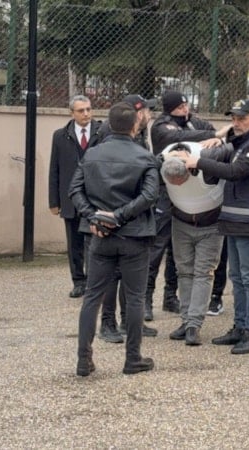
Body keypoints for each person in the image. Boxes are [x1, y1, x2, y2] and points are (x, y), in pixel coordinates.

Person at [178, 99, 249, 355]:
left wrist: (198, 162)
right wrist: (219, 137)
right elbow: (227, 153)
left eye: (241, 118)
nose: (236, 122)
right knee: (237, 277)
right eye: (233, 118)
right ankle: (240, 327)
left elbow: (235, 171)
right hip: (236, 218)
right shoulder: (244, 140)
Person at [70, 101, 159, 377]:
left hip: (101, 235)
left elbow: (75, 190)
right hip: (134, 236)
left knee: (92, 297)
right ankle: (133, 358)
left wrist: (96, 217)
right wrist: (118, 216)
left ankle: (83, 359)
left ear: (109, 124)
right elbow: (150, 195)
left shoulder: (92, 154)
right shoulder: (144, 157)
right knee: (134, 298)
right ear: (135, 125)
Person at [150, 90, 230, 318]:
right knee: (159, 247)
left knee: (181, 253)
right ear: (169, 109)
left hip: (192, 193)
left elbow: (213, 138)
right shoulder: (161, 125)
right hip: (167, 190)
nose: (185, 110)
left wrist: (216, 138)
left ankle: (174, 297)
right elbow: (177, 138)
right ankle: (149, 299)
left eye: (186, 105)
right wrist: (213, 134)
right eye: (180, 107)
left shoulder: (194, 122)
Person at [90, 94, 158, 343]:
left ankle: (130, 321)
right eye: (147, 111)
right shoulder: (112, 134)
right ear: (137, 114)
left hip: (131, 215)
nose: (150, 115)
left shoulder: (138, 135)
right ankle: (108, 324)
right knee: (112, 276)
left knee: (129, 276)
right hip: (111, 216)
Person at [160, 142, 225, 346]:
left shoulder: (207, 160)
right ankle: (186, 320)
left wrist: (220, 137)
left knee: (203, 273)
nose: (178, 186)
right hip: (181, 223)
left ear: (190, 168)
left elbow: (230, 150)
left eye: (181, 182)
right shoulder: (163, 160)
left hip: (211, 224)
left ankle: (194, 325)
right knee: (184, 272)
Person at [48, 95, 101, 299]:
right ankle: (79, 282)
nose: (86, 114)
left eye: (88, 109)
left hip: (96, 197)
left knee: (95, 242)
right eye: (81, 111)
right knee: (74, 243)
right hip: (71, 198)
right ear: (72, 113)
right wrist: (54, 201)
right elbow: (55, 169)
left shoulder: (101, 132)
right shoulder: (60, 136)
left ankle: (94, 282)